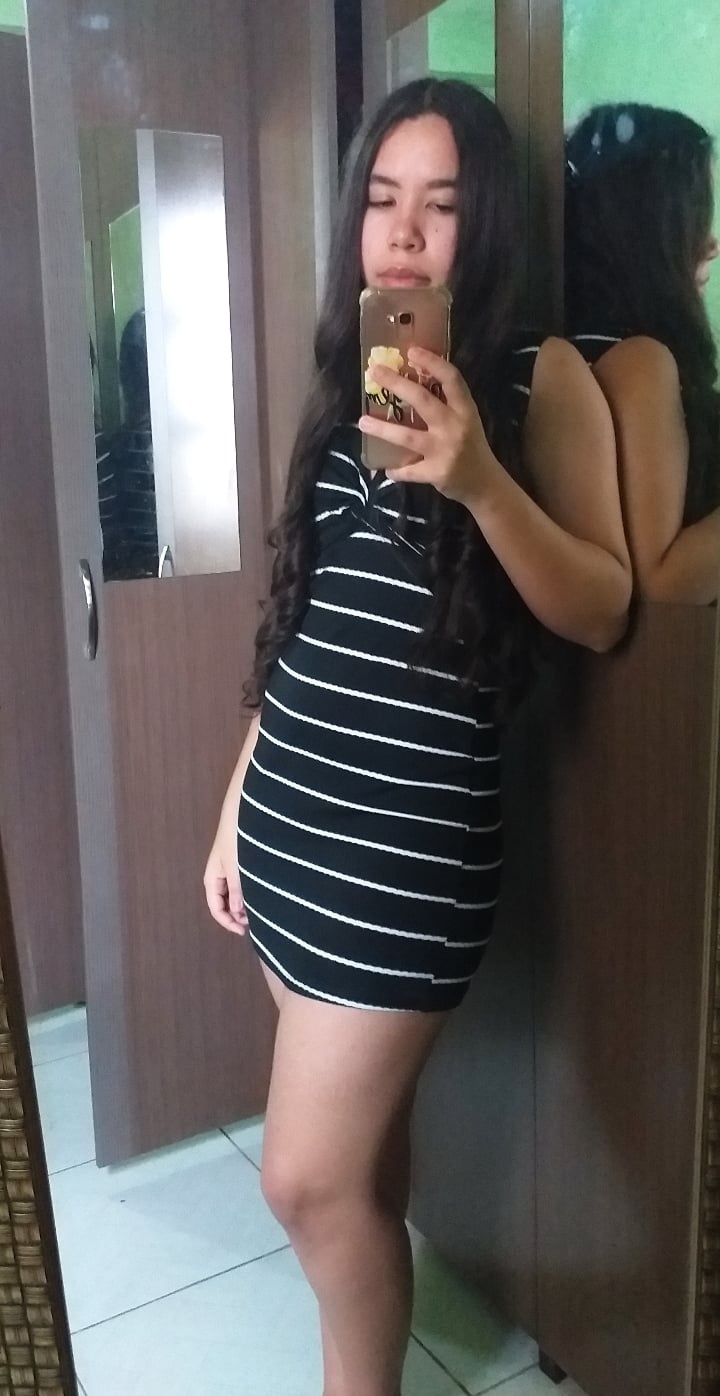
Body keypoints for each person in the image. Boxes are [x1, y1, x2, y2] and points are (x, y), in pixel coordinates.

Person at [204, 79, 631, 1396]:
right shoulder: (355, 371)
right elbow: (302, 615)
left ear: (484, 226)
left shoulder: (541, 380)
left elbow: (603, 605)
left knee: (301, 1180)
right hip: (290, 825)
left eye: (440, 206)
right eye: (383, 200)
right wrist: (231, 809)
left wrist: (480, 480)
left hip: (404, 859)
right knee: (357, 1176)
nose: (402, 232)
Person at [565, 102, 720, 604]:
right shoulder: (639, 363)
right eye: (697, 216)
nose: (712, 243)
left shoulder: (579, 347)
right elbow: (661, 582)